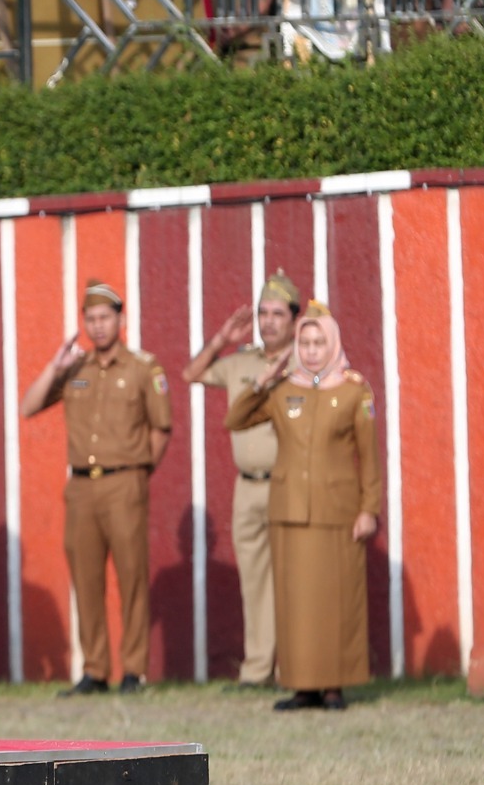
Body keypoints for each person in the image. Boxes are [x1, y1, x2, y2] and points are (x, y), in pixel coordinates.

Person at [225, 300, 381, 711]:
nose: (311, 350)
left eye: (318, 342)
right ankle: (301, 685)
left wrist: (369, 509)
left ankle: (334, 686)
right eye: (305, 342)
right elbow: (235, 420)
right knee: (295, 602)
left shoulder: (353, 390)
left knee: (337, 600)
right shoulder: (282, 391)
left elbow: (369, 456)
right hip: (289, 509)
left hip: (338, 511)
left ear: (331, 344)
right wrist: (263, 379)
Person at [20, 280, 173, 695]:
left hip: (126, 481)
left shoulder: (143, 367)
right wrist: (56, 364)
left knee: (131, 577)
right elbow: (29, 406)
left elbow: (161, 428)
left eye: (105, 317)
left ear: (120, 320)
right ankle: (96, 669)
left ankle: (134, 671)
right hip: (82, 487)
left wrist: (140, 472)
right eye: (91, 318)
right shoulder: (76, 368)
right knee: (86, 579)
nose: (98, 325)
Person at [182, 270, 302, 686]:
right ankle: (256, 669)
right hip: (246, 486)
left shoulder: (304, 362)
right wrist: (221, 339)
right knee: (254, 581)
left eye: (277, 314)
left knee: (292, 579)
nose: (268, 321)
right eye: (262, 313)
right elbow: (191, 374)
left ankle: (294, 667)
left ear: (294, 319)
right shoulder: (241, 363)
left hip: (289, 485)